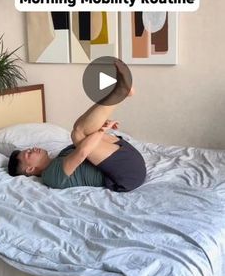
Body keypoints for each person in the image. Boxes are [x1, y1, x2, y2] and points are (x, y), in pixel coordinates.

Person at [8, 61, 146, 192]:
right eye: (28, 153)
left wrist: (101, 127)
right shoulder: (50, 177)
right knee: (78, 134)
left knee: (83, 134)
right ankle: (120, 92)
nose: (32, 149)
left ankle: (121, 92)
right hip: (127, 174)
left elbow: (89, 145)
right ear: (30, 169)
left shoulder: (62, 155)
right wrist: (103, 130)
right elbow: (82, 152)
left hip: (129, 157)